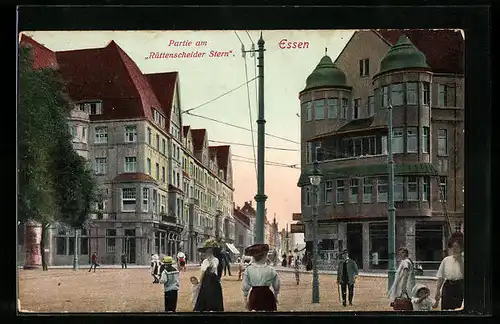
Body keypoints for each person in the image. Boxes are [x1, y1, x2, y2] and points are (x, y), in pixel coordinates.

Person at [242, 243, 281, 311]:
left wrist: (246, 300)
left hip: (254, 296)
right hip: (268, 296)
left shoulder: (248, 269)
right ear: (265, 256)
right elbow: (276, 285)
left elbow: (245, 286)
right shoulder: (270, 269)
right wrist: (275, 296)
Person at [433, 233, 464, 310]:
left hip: (459, 285)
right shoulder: (446, 260)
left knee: (457, 308)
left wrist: (460, 261)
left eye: (457, 247)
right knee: (446, 308)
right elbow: (441, 276)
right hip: (448, 286)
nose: (454, 249)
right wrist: (437, 291)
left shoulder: (464, 259)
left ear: (461, 248)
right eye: (453, 246)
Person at [193, 239, 224, 311]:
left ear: (212, 252)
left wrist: (218, 278)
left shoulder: (216, 260)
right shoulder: (205, 261)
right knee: (206, 293)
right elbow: (203, 272)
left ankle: (215, 308)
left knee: (214, 294)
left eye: (210, 251)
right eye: (207, 251)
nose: (208, 253)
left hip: (214, 280)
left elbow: (215, 269)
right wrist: (200, 282)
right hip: (206, 280)